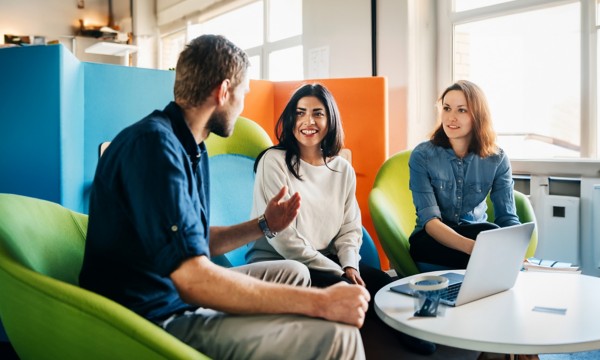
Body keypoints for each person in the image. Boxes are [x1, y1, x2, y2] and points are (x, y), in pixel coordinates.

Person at [79, 34, 370, 360]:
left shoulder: (191, 147)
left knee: (294, 273)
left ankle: (286, 343)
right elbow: (193, 280)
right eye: (243, 93)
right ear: (223, 91)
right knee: (339, 337)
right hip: (152, 315)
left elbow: (195, 242)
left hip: (174, 290)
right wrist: (322, 302)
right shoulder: (155, 149)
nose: (244, 103)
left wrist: (263, 224)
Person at [246, 83, 436, 356]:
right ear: (290, 120)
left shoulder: (341, 169)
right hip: (282, 264)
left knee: (384, 285)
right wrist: (338, 272)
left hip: (327, 260)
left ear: (330, 119)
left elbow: (350, 227)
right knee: (353, 296)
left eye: (317, 113)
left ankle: (420, 342)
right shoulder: (273, 161)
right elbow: (284, 237)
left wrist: (350, 266)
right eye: (299, 113)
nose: (307, 121)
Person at [408, 80, 521, 270]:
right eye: (446, 108)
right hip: (432, 240)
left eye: (461, 110)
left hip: (476, 234)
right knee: (488, 235)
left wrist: (515, 249)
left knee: (490, 232)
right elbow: (430, 222)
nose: (451, 117)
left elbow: (507, 218)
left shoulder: (497, 159)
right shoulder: (422, 156)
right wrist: (474, 249)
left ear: (477, 116)